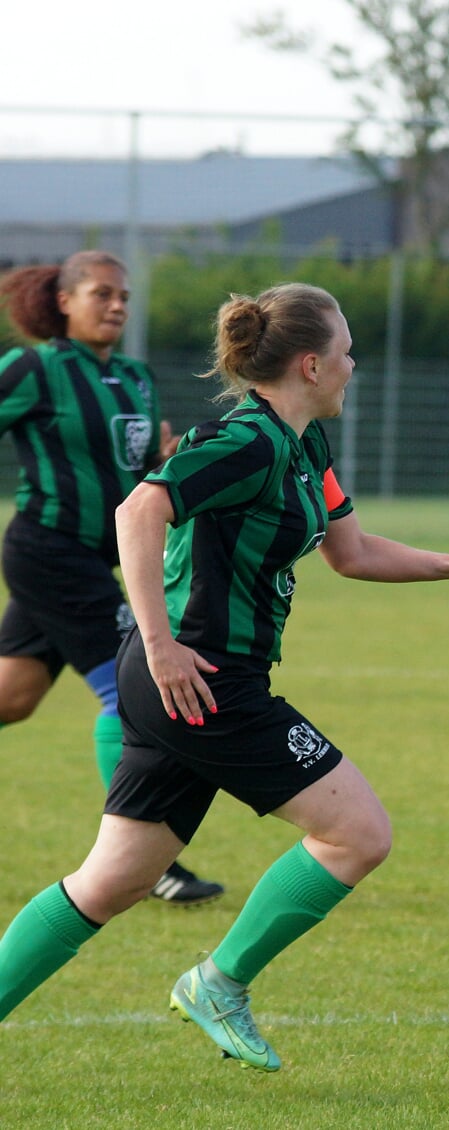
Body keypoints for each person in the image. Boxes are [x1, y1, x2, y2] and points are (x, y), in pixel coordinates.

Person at [0, 283, 449, 1070]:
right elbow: (139, 512)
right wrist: (162, 642)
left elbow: (350, 552)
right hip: (202, 680)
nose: (354, 365)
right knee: (358, 833)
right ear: (311, 364)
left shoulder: (306, 445)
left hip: (184, 681)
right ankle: (219, 982)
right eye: (346, 353)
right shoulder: (244, 439)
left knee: (110, 882)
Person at [0, 251, 224, 906]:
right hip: (50, 551)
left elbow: (137, 469)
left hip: (95, 560)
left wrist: (169, 459)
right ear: (64, 302)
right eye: (102, 294)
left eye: (124, 296)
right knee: (134, 693)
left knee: (12, 698)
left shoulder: (134, 377)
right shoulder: (34, 368)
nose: (118, 306)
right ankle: (143, 862)